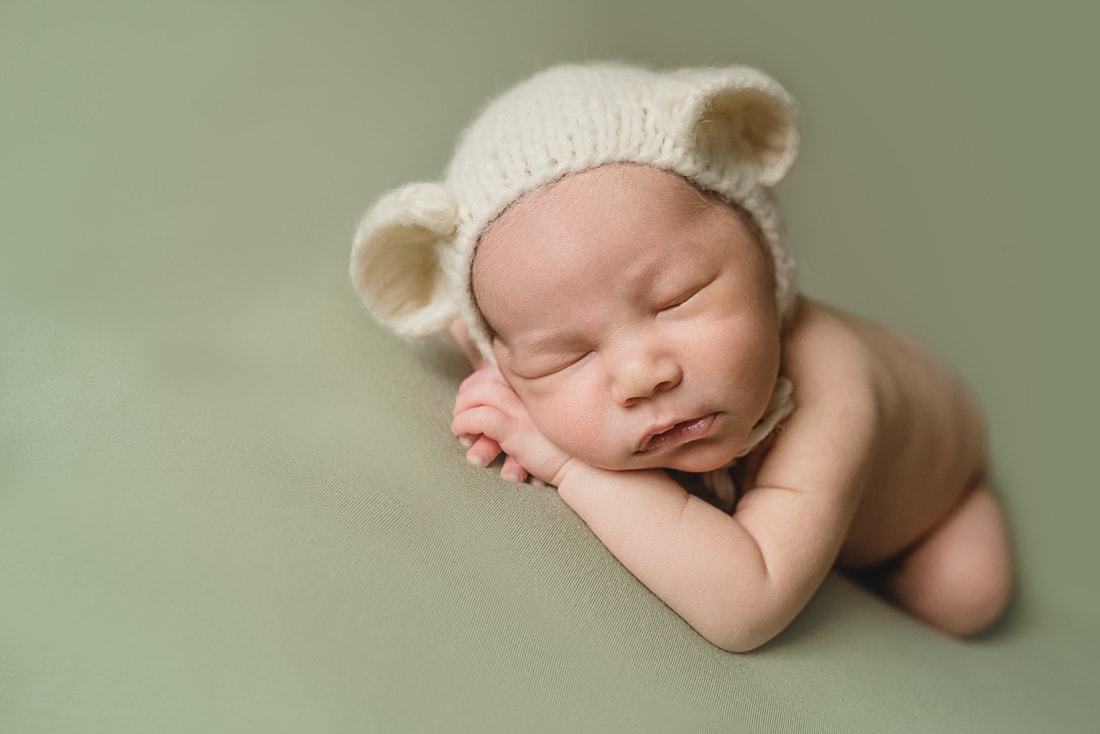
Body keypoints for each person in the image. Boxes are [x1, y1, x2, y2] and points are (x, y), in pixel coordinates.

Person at [350, 63, 1013, 651]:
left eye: (675, 301)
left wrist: (572, 467)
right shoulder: (556, 348)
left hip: (934, 500)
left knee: (965, 592)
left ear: (765, 258)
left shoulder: (837, 382)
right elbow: (491, 331)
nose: (642, 376)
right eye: (566, 356)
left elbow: (748, 605)